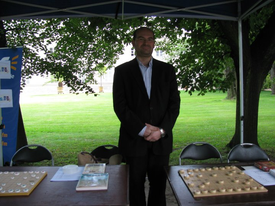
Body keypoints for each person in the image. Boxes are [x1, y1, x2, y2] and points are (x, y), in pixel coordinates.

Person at [113, 27, 180, 206]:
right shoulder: (122, 71)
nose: (146, 42)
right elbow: (120, 107)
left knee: (159, 188)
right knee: (134, 188)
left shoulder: (168, 70)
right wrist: (143, 130)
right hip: (133, 141)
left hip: (161, 142)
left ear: (154, 43)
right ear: (133, 42)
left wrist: (161, 130)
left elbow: (174, 106)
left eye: (150, 39)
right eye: (141, 39)